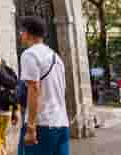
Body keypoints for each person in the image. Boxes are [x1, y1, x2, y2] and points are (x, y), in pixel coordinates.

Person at [19, 16, 70, 155]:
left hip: (42, 125)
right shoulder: (55, 57)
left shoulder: (29, 55)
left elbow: (34, 89)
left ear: (27, 33)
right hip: (61, 123)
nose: (20, 36)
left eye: (21, 32)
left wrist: (30, 128)